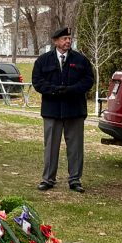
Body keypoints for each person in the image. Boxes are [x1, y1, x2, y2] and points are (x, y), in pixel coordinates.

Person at [31, 26, 94, 193]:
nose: (68, 41)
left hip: (75, 110)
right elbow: (37, 81)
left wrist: (71, 90)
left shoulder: (80, 60)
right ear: (55, 41)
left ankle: (75, 179)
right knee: (51, 147)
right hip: (52, 110)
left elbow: (88, 80)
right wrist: (54, 90)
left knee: (75, 147)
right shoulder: (43, 61)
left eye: (69, 38)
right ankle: (48, 179)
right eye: (64, 39)